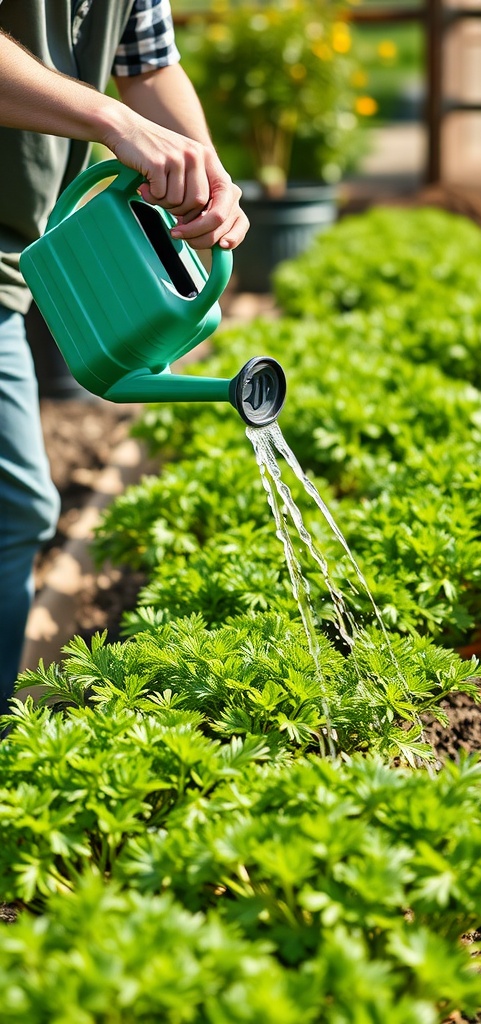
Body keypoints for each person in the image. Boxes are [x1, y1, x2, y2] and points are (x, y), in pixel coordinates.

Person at [0, 0, 249, 717]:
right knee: (14, 508)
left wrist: (207, 176)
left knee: (14, 511)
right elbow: (127, 105)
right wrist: (117, 124)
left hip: (13, 247)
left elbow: (147, 65)